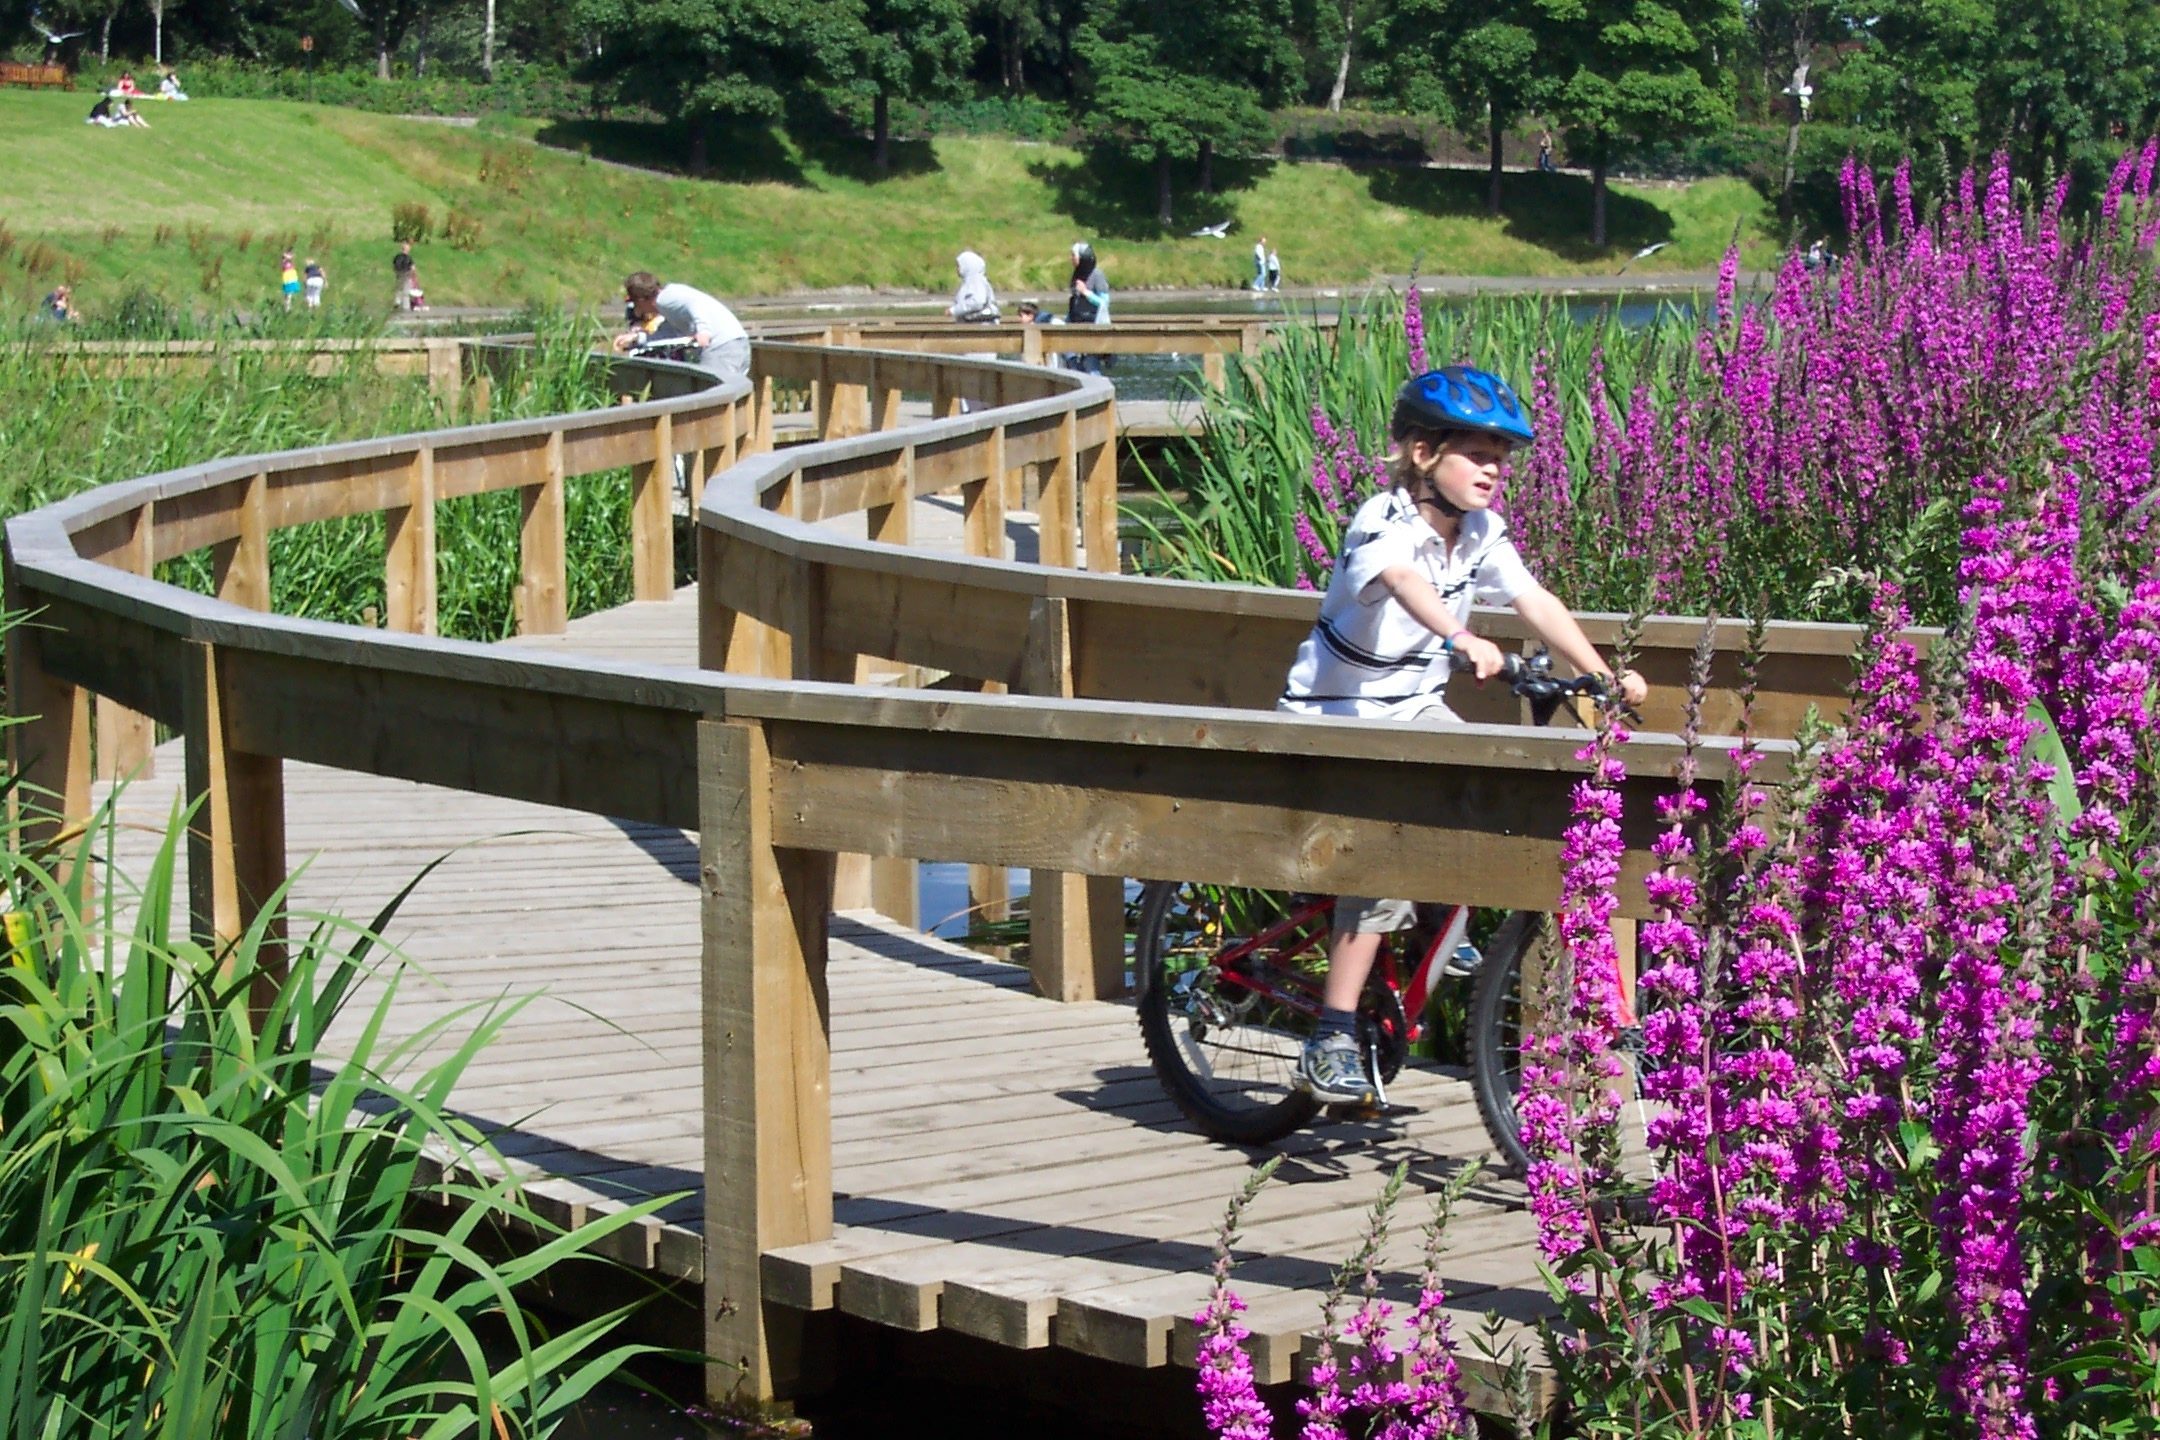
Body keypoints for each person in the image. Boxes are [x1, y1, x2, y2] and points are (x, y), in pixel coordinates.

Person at [1279, 364, 1648, 1104]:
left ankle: (1437, 921)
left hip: (1410, 712)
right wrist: (1459, 637)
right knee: (1385, 855)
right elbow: (1405, 585)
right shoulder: (1381, 522)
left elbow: (1533, 599)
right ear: (1422, 454)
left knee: (1485, 790)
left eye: (1502, 458)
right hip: (1335, 717)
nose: (1493, 470)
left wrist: (1604, 673)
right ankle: (1332, 1030)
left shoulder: (1479, 532)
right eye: (1476, 453)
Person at [613, 271, 751, 384]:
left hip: (722, 348)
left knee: (711, 400)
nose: (638, 310)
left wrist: (704, 331)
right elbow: (668, 333)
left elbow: (695, 304)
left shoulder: (666, 298)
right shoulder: (669, 302)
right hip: (737, 345)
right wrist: (638, 338)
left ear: (641, 300)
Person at [947, 250, 1000, 323]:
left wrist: (954, 310)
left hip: (980, 327)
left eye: (959, 266)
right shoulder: (970, 281)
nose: (957, 269)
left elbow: (977, 302)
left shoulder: (976, 281)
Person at [391, 241, 415, 309]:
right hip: (407, 275)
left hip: (399, 274)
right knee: (406, 291)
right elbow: (412, 268)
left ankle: (397, 301)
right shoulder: (409, 258)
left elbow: (394, 265)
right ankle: (406, 306)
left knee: (398, 289)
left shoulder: (397, 257)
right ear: (407, 249)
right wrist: (413, 274)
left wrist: (396, 272)